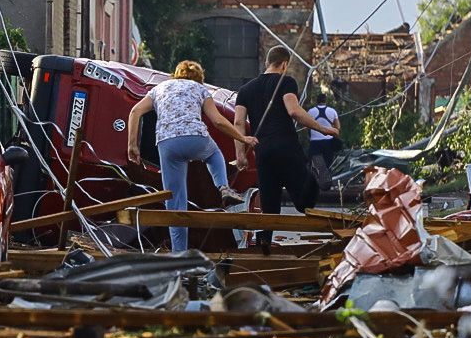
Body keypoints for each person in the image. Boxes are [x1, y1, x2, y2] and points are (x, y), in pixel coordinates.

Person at [126, 60, 256, 253]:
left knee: (175, 203)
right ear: (199, 78)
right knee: (214, 154)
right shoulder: (200, 89)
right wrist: (242, 137)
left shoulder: (159, 88)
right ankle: (223, 187)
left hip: (167, 143)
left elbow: (135, 111)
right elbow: (218, 121)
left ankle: (179, 254)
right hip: (195, 138)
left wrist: (132, 145)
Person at [234, 46, 341, 251]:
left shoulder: (245, 90)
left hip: (262, 152)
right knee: (304, 204)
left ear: (267, 62)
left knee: (270, 206)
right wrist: (323, 129)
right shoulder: (286, 81)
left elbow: (238, 123)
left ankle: (264, 242)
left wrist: (240, 155)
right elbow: (293, 110)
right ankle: (316, 173)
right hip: (286, 147)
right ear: (284, 64)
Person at [306, 89, 341, 193]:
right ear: (326, 101)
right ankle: (326, 186)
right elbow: (338, 127)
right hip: (328, 142)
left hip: (315, 142)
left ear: (317, 101)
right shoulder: (332, 111)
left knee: (317, 165)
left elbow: (307, 126)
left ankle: (316, 186)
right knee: (327, 164)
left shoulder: (311, 111)